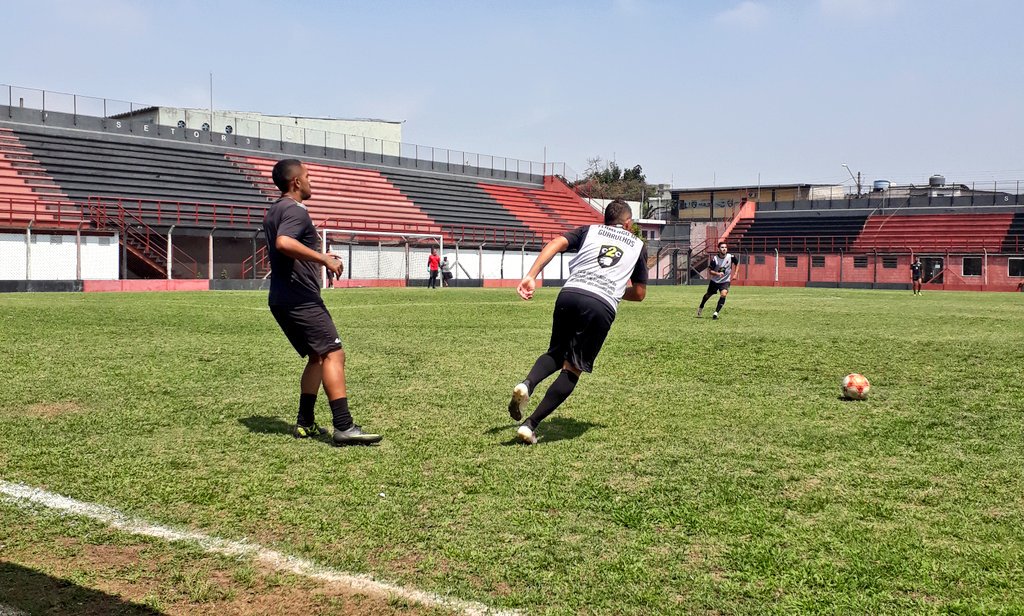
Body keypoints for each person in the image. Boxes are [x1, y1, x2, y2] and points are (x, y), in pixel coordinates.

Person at [508, 199, 647, 445]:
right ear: (627, 223)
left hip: (570, 292)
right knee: (573, 367)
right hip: (600, 304)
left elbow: (557, 242)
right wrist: (612, 289)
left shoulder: (589, 230)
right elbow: (639, 293)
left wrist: (531, 275)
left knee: (556, 351)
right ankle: (530, 425)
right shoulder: (638, 245)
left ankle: (527, 383)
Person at [262, 159, 381, 446]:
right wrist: (324, 259)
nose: (311, 180)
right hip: (300, 299)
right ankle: (344, 426)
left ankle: (305, 423)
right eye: (308, 176)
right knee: (333, 354)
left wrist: (320, 252)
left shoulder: (275, 209)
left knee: (317, 356)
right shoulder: (295, 210)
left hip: (282, 298)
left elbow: (289, 244)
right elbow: (284, 243)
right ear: (296, 183)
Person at [696, 241, 737, 320]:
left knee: (724, 294)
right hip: (715, 281)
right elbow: (710, 271)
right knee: (708, 295)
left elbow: (737, 263)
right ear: (718, 249)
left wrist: (735, 274)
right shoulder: (715, 259)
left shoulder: (731, 257)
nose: (724, 249)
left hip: (725, 281)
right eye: (722, 247)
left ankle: (716, 312)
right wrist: (718, 274)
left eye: (725, 247)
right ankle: (701, 306)